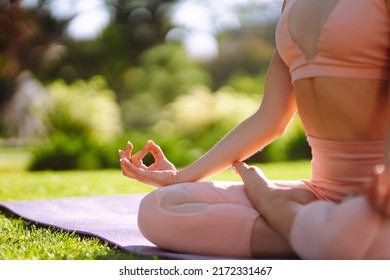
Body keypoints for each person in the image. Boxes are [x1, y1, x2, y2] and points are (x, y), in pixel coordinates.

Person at [119, 0, 390, 259]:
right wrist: (181, 177)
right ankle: (329, 237)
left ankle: (320, 229)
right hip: (321, 193)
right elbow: (270, 117)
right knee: (160, 207)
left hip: (380, 195)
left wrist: (270, 201)